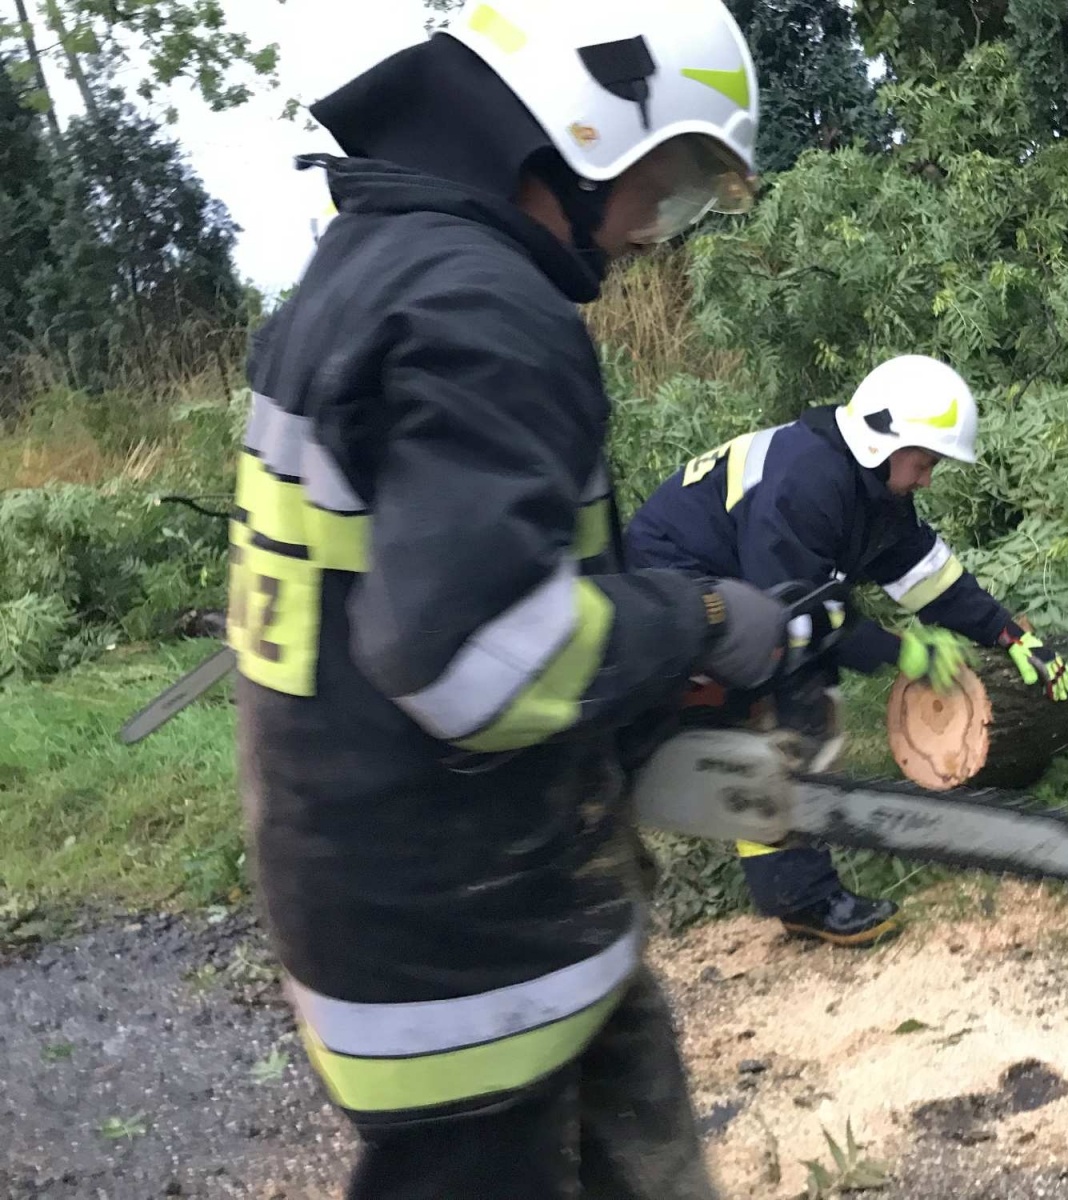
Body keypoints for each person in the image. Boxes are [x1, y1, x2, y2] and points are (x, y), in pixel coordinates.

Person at [225, 2, 789, 1196]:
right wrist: (693, 620)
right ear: (580, 131)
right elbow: (478, 660)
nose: (651, 236)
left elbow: (436, 596)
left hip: (423, 892)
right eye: (668, 187)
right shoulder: (481, 312)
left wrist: (637, 695)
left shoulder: (373, 266)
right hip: (465, 953)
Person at [624, 354, 1068, 948]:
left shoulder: (870, 491)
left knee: (789, 698)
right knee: (793, 704)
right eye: (924, 462)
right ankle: (802, 896)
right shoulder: (807, 480)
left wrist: (1009, 636)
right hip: (673, 593)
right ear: (884, 442)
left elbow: (930, 578)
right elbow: (795, 615)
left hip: (735, 598)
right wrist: (901, 652)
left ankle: (785, 881)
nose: (927, 479)